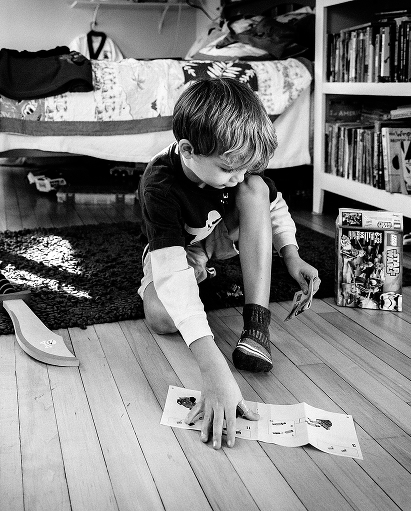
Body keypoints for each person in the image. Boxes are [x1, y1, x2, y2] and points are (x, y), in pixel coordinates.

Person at [137, 78, 320, 449]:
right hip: (179, 248)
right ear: (188, 150)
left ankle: (257, 325)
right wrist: (212, 366)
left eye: (245, 166)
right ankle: (204, 276)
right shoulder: (159, 184)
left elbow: (273, 205)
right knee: (159, 316)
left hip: (220, 235)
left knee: (257, 190)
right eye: (228, 170)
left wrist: (291, 253)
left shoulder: (235, 165)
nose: (236, 177)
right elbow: (170, 269)